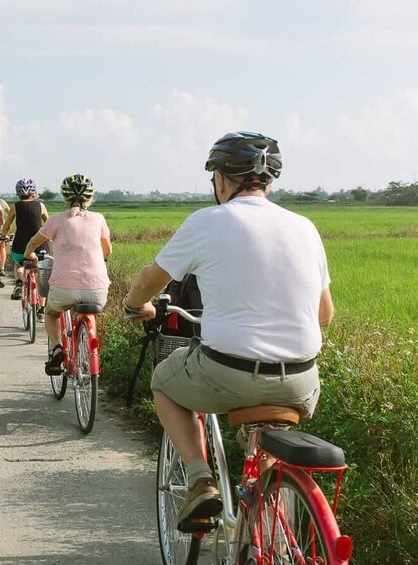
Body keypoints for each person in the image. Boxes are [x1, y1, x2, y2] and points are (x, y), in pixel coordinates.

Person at [122, 131, 335, 530]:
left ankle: (200, 479)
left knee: (164, 382)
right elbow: (325, 315)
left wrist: (135, 306)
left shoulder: (206, 221)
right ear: (270, 181)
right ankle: (269, 514)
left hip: (227, 373)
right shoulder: (306, 227)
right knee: (267, 433)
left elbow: (151, 280)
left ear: (220, 179)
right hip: (301, 382)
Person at [23, 174, 112, 374]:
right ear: (90, 197)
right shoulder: (99, 219)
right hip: (98, 291)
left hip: (64, 289)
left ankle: (57, 348)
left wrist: (30, 255)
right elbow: (108, 251)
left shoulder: (57, 220)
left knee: (51, 313)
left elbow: (33, 244)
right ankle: (87, 346)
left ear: (64, 196)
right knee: (86, 305)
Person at [1, 178, 49, 304]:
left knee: (18, 265)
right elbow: (49, 225)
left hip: (20, 248)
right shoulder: (41, 206)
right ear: (34, 192)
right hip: (41, 248)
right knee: (42, 277)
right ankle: (41, 309)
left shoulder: (15, 207)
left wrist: (3, 235)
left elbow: (6, 225)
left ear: (18, 192)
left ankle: (19, 283)